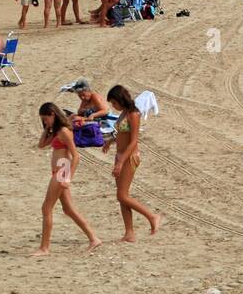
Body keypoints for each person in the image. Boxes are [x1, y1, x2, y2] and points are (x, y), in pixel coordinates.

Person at [33, 102, 103, 256]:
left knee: (46, 208)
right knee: (68, 209)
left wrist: (69, 177)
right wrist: (46, 129)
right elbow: (41, 144)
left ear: (53, 114)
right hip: (58, 170)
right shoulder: (56, 131)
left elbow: (76, 156)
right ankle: (94, 238)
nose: (45, 122)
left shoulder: (64, 131)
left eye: (46, 119)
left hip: (62, 170)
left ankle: (44, 248)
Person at [101, 85, 161, 241]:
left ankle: (152, 216)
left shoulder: (134, 114)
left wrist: (121, 161)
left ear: (121, 100)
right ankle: (129, 233)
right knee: (122, 196)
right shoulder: (124, 113)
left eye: (114, 103)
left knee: (121, 195)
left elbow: (134, 141)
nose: (113, 106)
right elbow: (122, 133)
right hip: (120, 156)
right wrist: (111, 141)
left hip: (129, 157)